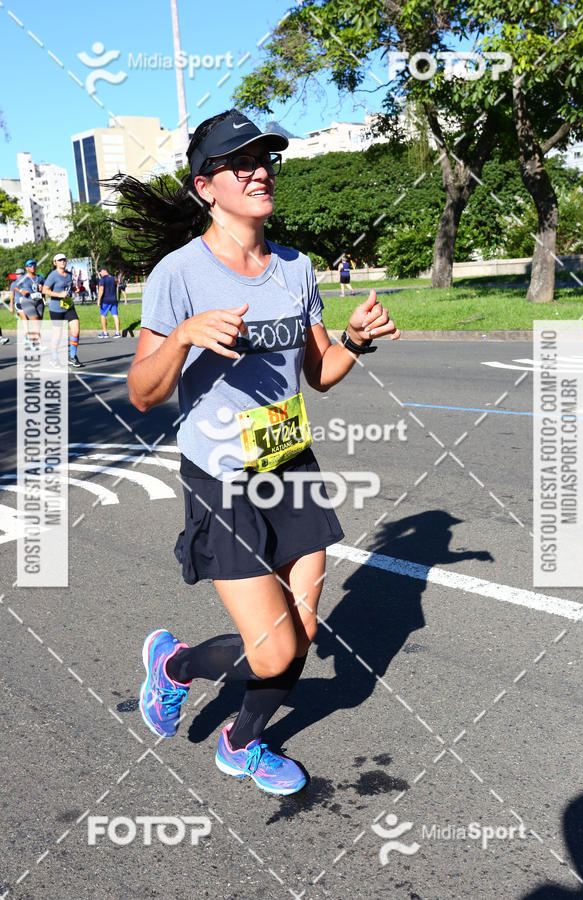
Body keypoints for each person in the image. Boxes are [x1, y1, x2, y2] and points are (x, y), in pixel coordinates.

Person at [113, 109, 399, 796]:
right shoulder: (178, 275)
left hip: (292, 469)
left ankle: (242, 741)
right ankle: (176, 666)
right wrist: (182, 335)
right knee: (275, 649)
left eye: (266, 158)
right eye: (240, 162)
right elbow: (143, 395)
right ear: (206, 186)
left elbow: (319, 374)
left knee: (297, 637)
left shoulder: (296, 269)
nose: (260, 170)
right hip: (224, 480)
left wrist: (354, 340)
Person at [42, 252, 84, 368]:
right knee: (58, 335)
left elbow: (69, 288)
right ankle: (54, 358)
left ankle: (72, 357)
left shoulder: (69, 274)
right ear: (55, 263)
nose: (63, 262)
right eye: (60, 260)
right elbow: (45, 290)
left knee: (76, 330)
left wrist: (75, 289)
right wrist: (59, 294)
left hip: (69, 307)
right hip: (56, 309)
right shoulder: (53, 275)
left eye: (64, 260)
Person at [15, 258, 45, 348]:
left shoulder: (39, 277)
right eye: (30, 265)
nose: (33, 267)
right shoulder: (23, 278)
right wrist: (21, 290)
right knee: (35, 322)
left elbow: (46, 287)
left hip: (39, 302)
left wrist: (42, 288)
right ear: (27, 267)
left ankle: (31, 341)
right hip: (27, 302)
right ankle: (39, 344)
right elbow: (15, 286)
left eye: (34, 265)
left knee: (38, 324)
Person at [96, 264, 121, 339]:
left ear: (104, 271)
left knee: (103, 315)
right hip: (113, 299)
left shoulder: (103, 279)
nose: (100, 273)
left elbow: (101, 289)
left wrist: (98, 300)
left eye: (100, 271)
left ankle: (105, 332)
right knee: (115, 315)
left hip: (105, 300)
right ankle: (117, 332)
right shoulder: (113, 278)